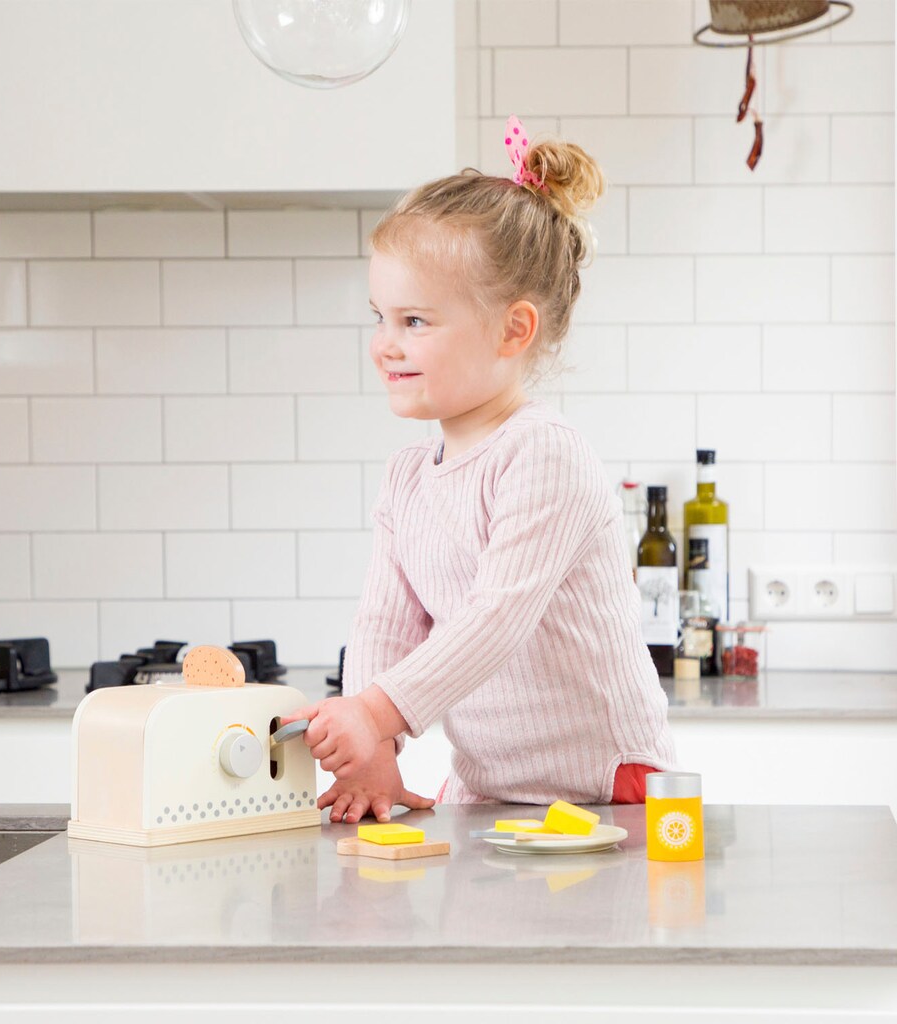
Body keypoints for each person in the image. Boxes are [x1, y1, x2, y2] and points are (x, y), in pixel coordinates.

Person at [282, 116, 676, 824]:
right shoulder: (408, 477)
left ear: (512, 330)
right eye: (381, 317)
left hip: (607, 789)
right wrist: (378, 748)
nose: (384, 345)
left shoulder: (543, 453)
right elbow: (384, 621)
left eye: (416, 322)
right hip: (491, 790)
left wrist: (373, 711)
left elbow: (497, 618)